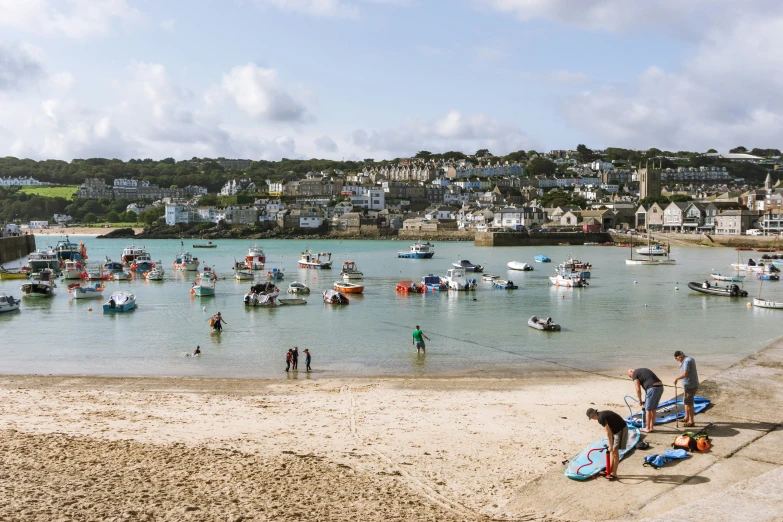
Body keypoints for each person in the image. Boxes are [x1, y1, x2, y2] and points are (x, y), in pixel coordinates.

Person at [586, 408, 628, 481]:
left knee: (615, 451)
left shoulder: (601, 418)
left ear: (593, 415)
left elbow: (608, 433)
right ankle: (608, 470)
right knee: (613, 451)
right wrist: (610, 445)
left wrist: (611, 446)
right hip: (615, 430)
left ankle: (614, 473)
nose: (592, 419)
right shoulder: (601, 415)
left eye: (592, 418)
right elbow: (610, 431)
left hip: (621, 429)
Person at [628, 368, 664, 433]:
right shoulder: (642, 370)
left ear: (631, 372)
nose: (632, 378)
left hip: (652, 388)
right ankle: (651, 427)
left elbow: (638, 389)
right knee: (653, 409)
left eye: (631, 377)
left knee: (648, 409)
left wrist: (640, 400)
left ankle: (647, 428)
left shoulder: (635, 374)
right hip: (660, 387)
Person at [674, 351, 699, 427]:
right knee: (686, 401)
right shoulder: (687, 359)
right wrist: (681, 365)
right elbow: (686, 369)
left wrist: (676, 379)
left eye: (676, 358)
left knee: (689, 403)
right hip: (688, 385)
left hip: (690, 385)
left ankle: (691, 421)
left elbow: (685, 374)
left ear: (679, 356)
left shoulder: (687, 361)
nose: (676, 360)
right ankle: (686, 417)